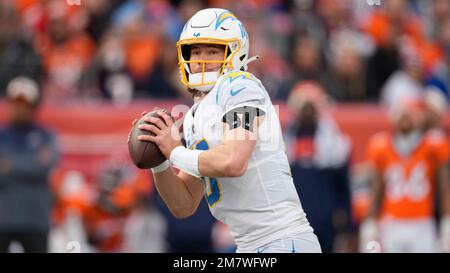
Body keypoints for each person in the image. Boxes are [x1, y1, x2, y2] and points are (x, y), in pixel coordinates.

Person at [134, 8, 321, 253]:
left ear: (235, 52)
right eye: (196, 51)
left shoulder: (241, 87)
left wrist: (174, 152)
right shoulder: (194, 116)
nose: (202, 59)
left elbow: (234, 161)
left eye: (212, 50)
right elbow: (184, 204)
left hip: (281, 240)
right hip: (249, 245)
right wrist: (159, 161)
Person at [360, 97, 450, 253]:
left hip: (422, 222)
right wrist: (370, 221)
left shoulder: (433, 145)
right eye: (402, 114)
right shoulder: (380, 145)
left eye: (410, 114)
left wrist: (446, 219)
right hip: (391, 223)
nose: (405, 118)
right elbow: (377, 189)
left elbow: (444, 187)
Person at [286, 81, 354, 253]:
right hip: (294, 218)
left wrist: (345, 218)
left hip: (325, 218)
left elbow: (343, 184)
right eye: (304, 105)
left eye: (312, 105)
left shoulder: (335, 142)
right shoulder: (285, 139)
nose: (307, 111)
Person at [0, 77, 59, 253]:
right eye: (15, 104)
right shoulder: (2, 134)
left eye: (24, 105)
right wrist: (30, 163)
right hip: (3, 217)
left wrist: (9, 165)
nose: (19, 109)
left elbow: (44, 167)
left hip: (35, 219)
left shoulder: (46, 135)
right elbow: (37, 166)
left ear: (33, 108)